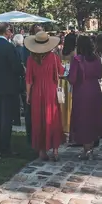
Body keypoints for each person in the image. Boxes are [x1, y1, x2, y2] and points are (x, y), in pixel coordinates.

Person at [0, 22, 25, 158]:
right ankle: (5, 148)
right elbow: (16, 67)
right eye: (10, 30)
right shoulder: (8, 47)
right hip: (8, 86)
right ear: (6, 31)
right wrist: (22, 70)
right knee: (7, 118)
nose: (12, 33)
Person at [24, 31, 64, 161]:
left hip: (37, 92)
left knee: (39, 120)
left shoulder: (30, 59)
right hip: (51, 91)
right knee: (53, 118)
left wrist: (28, 95)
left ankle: (42, 151)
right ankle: (55, 151)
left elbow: (29, 80)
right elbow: (60, 73)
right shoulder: (53, 57)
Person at [68, 36, 102, 159]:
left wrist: (67, 77)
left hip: (81, 92)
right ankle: (90, 148)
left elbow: (73, 78)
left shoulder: (77, 59)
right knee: (93, 118)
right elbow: (100, 75)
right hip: (94, 90)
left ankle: (87, 149)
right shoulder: (97, 59)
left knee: (83, 120)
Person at [59, 31, 77, 142]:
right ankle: (70, 126)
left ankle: (63, 125)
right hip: (70, 80)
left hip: (62, 80)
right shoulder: (74, 53)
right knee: (70, 103)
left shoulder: (60, 51)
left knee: (62, 103)